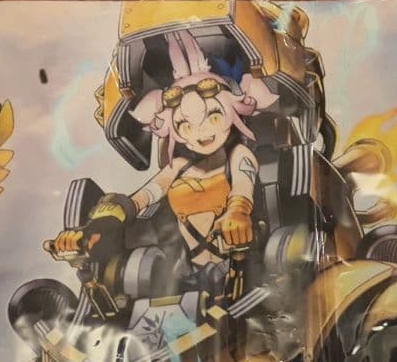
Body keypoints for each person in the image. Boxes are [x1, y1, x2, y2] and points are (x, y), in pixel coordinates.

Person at [51, 30, 277, 295]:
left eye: (214, 117)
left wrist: (237, 213)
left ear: (232, 112)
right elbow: (140, 200)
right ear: (173, 129)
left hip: (243, 271)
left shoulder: (238, 155)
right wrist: (94, 230)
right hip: (186, 281)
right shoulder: (177, 167)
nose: (201, 131)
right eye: (185, 125)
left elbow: (242, 186)